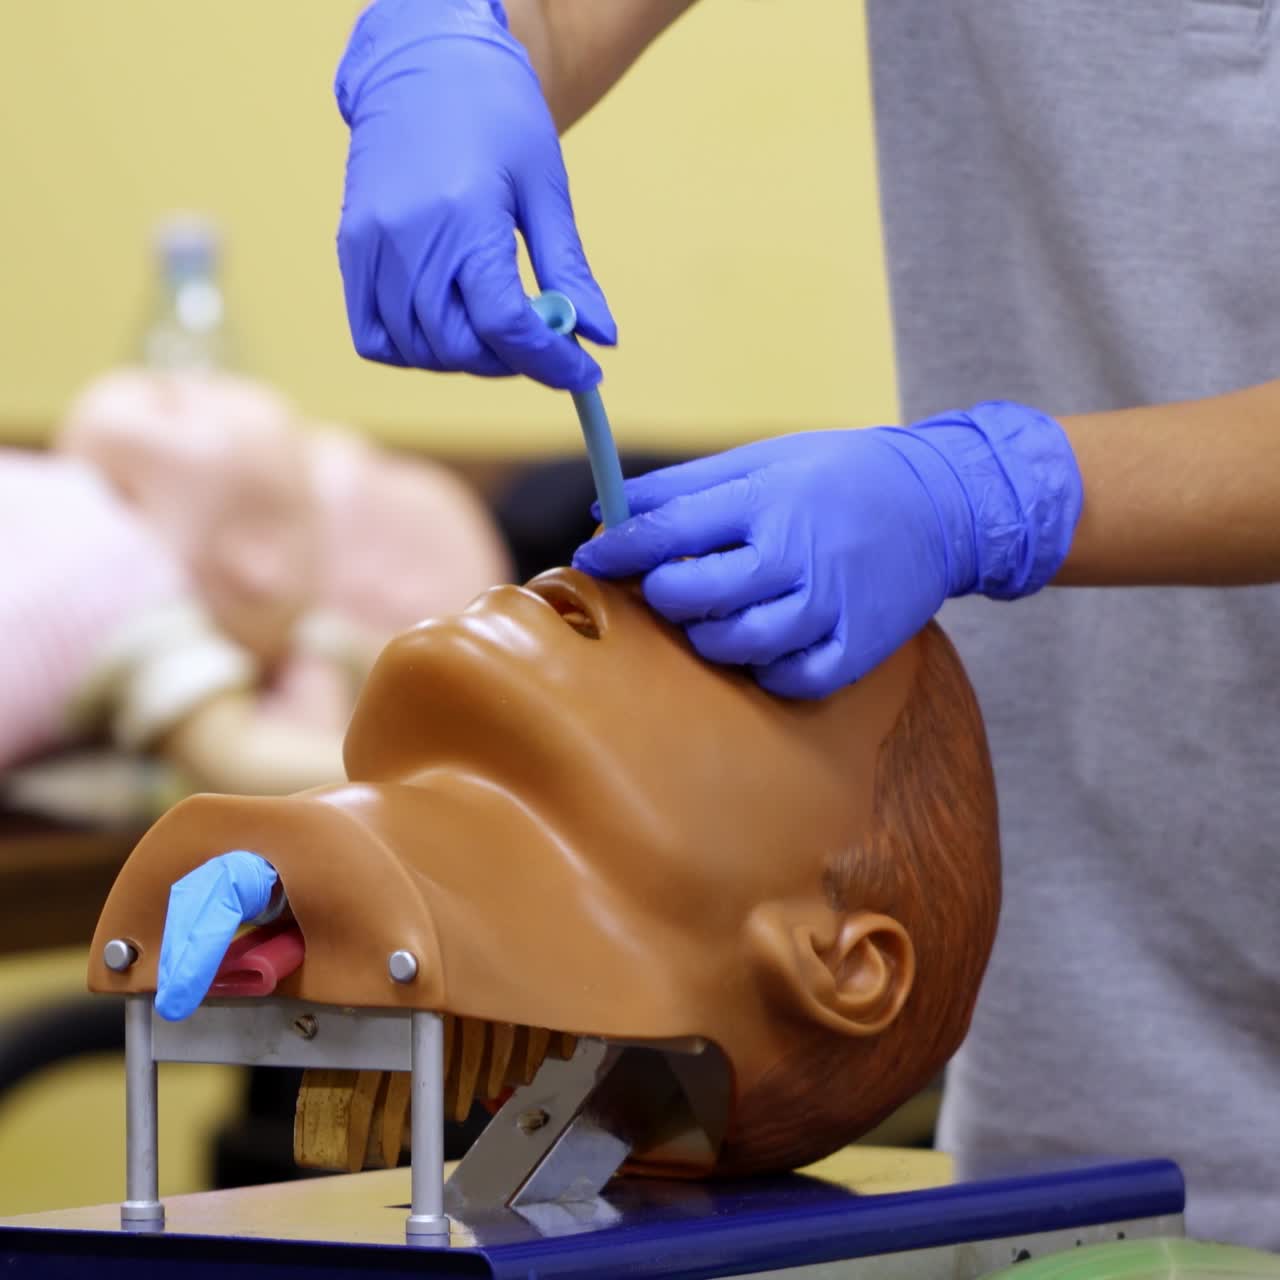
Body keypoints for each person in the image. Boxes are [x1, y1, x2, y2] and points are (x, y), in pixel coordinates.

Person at [325, 0, 1280, 1246]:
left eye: (755, 660)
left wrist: (994, 491)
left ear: (843, 960)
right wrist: (464, 37)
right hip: (1087, 1082)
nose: (601, 594)